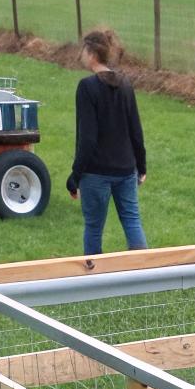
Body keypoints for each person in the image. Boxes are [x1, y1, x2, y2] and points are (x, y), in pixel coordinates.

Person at [66, 29, 148, 254]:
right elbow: (136, 131)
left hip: (95, 173)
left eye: (84, 50)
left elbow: (88, 139)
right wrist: (141, 166)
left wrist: (75, 176)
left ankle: (95, 273)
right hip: (126, 170)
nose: (82, 55)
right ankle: (144, 270)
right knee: (132, 220)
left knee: (93, 228)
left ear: (92, 54)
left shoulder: (87, 87)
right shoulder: (126, 85)